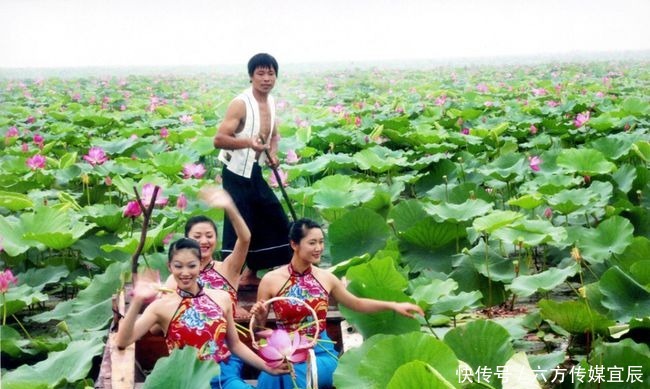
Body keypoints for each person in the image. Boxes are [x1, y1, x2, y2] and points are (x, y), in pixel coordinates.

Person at [250, 218, 424, 388]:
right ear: (294, 244)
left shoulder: (326, 278)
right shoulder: (270, 280)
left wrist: (393, 305)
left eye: (321, 242)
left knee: (306, 374)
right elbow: (258, 329)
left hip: (320, 351)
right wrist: (258, 316)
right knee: (279, 375)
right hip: (286, 352)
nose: (318, 248)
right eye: (312, 243)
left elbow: (356, 304)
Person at [116, 238, 288, 389]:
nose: (185, 273)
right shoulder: (161, 307)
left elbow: (235, 345)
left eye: (191, 266)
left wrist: (267, 367)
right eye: (178, 266)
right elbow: (123, 341)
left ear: (200, 265)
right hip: (185, 381)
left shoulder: (221, 298)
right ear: (169, 267)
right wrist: (138, 300)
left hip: (221, 377)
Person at [213, 52, 292, 287]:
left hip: (254, 171)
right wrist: (247, 142)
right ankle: (230, 278)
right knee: (241, 223)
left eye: (271, 73)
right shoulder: (240, 104)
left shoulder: (270, 101)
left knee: (272, 214)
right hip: (235, 172)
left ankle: (251, 272)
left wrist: (274, 154)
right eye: (261, 73)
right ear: (251, 76)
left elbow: (274, 134)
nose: (266, 78)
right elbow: (219, 139)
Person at [165, 187, 250, 319]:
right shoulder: (178, 276)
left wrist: (229, 207)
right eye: (197, 236)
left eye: (209, 236)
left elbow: (245, 239)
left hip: (228, 336)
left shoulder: (228, 268)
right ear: (187, 239)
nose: (204, 241)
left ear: (216, 239)